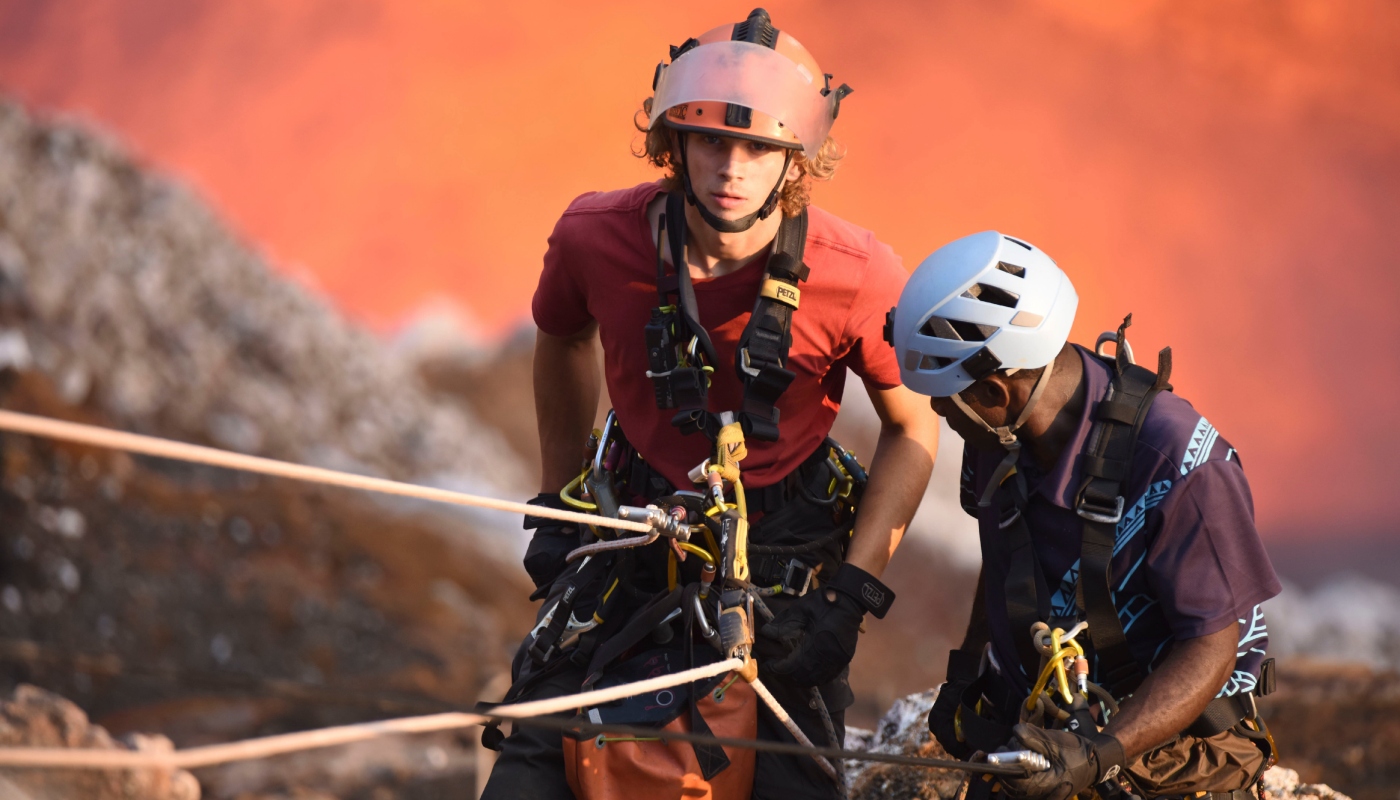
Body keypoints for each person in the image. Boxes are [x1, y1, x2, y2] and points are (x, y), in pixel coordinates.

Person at [481, 9, 939, 799]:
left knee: (791, 781)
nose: (732, 165)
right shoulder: (595, 237)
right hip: (629, 521)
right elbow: (561, 338)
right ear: (673, 143)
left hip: (788, 555)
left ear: (795, 159)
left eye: (758, 146)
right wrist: (561, 503)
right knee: (536, 766)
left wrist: (850, 596)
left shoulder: (860, 272)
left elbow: (912, 427)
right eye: (710, 139)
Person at [887, 231, 1281, 800]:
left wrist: (1098, 752)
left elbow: (1212, 648)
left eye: (945, 398)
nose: (937, 411)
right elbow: (1002, 558)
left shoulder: (1181, 466)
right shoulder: (997, 437)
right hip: (1047, 721)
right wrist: (968, 671)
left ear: (996, 392)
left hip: (1171, 745)